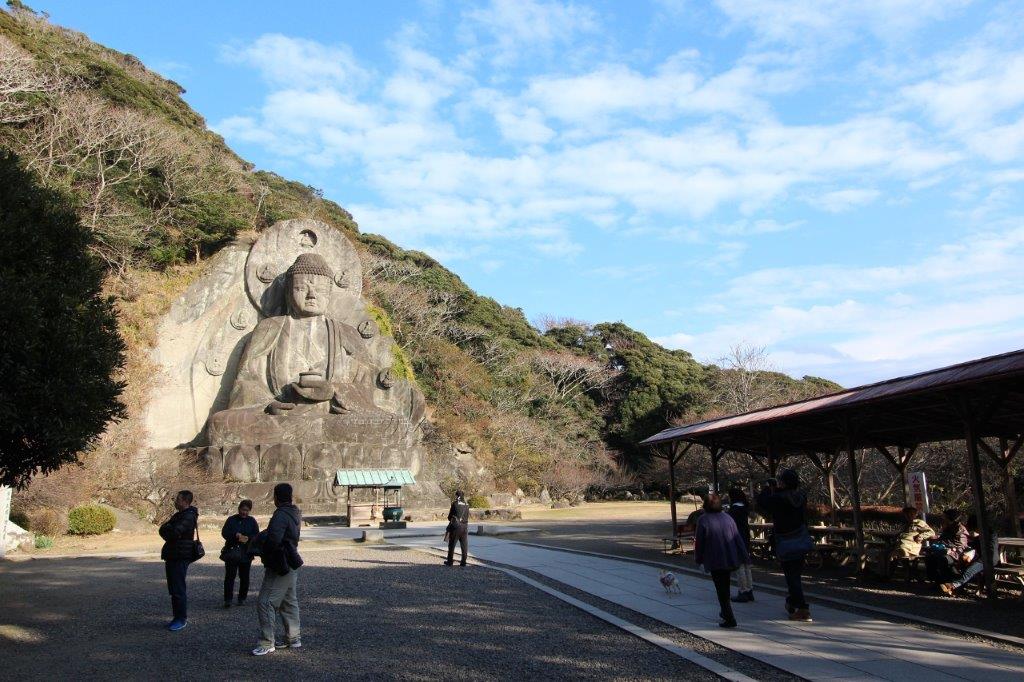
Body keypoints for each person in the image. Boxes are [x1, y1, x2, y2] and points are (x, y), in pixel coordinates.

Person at [252, 483, 303, 656]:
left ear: (275, 497)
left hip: (280, 563)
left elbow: (274, 540)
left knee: (265, 602)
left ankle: (267, 642)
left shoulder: (280, 514)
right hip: (291, 560)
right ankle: (293, 638)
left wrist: (260, 547)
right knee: (288, 601)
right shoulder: (294, 513)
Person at [756, 469, 813, 622]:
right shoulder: (801, 497)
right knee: (795, 574)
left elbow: (762, 502)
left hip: (785, 539)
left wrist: (769, 487)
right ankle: (792, 601)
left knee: (791, 576)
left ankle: (802, 609)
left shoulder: (778, 498)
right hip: (800, 538)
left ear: (784, 483)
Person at [695, 494, 749, 628]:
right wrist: (744, 556)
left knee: (721, 589)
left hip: (715, 558)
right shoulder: (728, 518)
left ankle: (729, 617)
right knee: (725, 586)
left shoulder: (703, 520)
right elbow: (737, 538)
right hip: (729, 556)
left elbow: (699, 542)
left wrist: (699, 559)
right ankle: (725, 612)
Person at [158, 490, 199, 632]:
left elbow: (174, 532)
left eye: (178, 499)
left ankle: (181, 618)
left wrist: (169, 529)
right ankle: (177, 617)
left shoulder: (188, 516)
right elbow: (163, 529)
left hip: (181, 555)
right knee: (174, 588)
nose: (175, 501)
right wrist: (168, 529)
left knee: (178, 588)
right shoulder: (179, 515)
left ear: (185, 501)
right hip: (173, 554)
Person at [940, 515, 997, 596]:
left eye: (974, 528)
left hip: (989, 559)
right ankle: (957, 588)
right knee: (963, 565)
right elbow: (971, 546)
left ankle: (952, 585)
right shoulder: (980, 535)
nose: (974, 530)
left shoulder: (990, 534)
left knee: (970, 570)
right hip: (980, 558)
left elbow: (990, 550)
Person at [221, 499, 259, 607]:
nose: (244, 512)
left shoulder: (252, 521)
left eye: (247, 510)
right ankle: (228, 599)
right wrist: (235, 535)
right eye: (243, 509)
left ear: (249, 511)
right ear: (239, 509)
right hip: (232, 551)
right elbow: (224, 533)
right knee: (229, 577)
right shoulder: (231, 519)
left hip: (246, 553)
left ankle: (242, 598)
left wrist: (248, 538)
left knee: (244, 577)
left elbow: (256, 535)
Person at [886, 506, 935, 577]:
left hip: (910, 547)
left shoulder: (919, 522)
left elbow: (931, 532)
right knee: (885, 554)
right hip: (901, 545)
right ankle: (884, 575)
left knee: (895, 554)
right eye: (907, 514)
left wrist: (921, 536)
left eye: (911, 514)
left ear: (916, 514)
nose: (909, 515)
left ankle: (890, 575)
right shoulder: (906, 524)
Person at [925, 509, 969, 584]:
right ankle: (936, 581)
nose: (943, 519)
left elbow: (962, 545)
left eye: (945, 517)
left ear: (950, 518)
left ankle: (948, 582)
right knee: (929, 557)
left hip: (956, 553)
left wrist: (951, 549)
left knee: (943, 559)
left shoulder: (960, 529)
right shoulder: (948, 527)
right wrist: (936, 538)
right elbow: (943, 538)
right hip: (945, 550)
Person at [727, 487, 755, 602]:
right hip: (745, 538)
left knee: (740, 566)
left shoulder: (733, 511)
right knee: (747, 565)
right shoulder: (744, 508)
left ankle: (743, 591)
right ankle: (750, 590)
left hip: (736, 538)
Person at [445, 490, 470, 567]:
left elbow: (449, 517)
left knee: (452, 544)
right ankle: (463, 562)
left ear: (457, 496)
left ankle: (450, 561)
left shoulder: (455, 504)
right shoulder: (467, 504)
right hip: (465, 526)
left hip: (456, 527)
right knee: (464, 545)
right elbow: (467, 516)